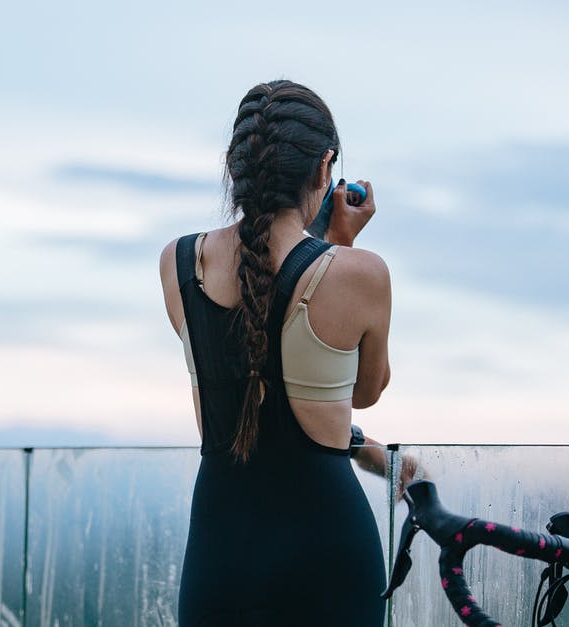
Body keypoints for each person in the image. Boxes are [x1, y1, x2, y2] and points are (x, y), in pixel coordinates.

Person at [159, 79, 421, 626]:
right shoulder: (362, 273)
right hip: (328, 547)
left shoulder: (179, 263)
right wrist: (336, 246)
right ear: (325, 169)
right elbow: (363, 393)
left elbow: (249, 368)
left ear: (235, 169)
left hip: (220, 546)